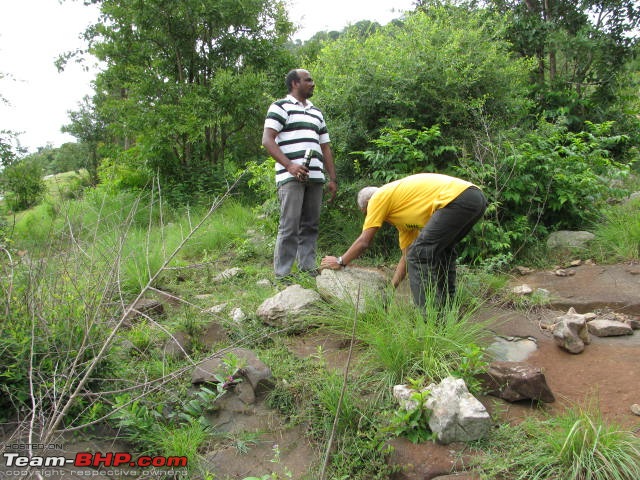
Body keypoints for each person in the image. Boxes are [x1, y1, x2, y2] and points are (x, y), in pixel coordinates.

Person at [320, 173, 487, 308]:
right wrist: (391, 289)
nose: (370, 216)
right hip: (474, 198)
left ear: (369, 204)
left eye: (367, 213)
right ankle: (448, 309)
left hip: (458, 199)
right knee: (441, 252)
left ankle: (428, 319)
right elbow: (407, 257)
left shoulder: (379, 196)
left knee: (420, 254)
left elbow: (365, 241)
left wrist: (341, 261)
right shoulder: (402, 218)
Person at [262, 69, 338, 282]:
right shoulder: (280, 107)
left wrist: (332, 178)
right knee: (289, 224)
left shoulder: (316, 112)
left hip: (315, 177)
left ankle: (307, 268)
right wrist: (290, 166)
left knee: (311, 224)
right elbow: (268, 140)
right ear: (295, 83)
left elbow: (326, 148)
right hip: (291, 177)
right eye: (308, 80)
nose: (313, 83)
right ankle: (282, 274)